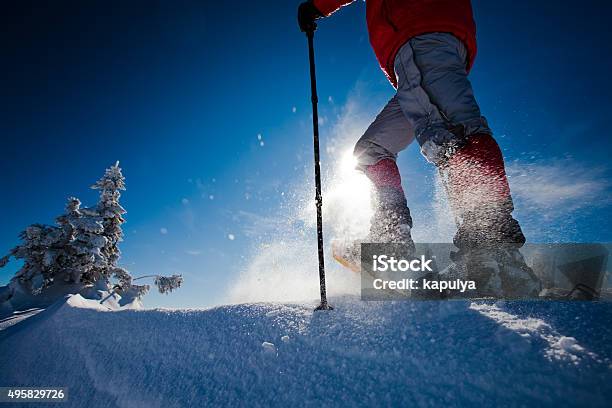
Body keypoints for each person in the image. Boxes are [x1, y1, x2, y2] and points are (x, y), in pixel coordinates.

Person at [298, 0, 539, 297]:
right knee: (372, 150)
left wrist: (316, 7)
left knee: (450, 134)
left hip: (419, 32)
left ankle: (493, 255)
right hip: (418, 47)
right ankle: (392, 239)